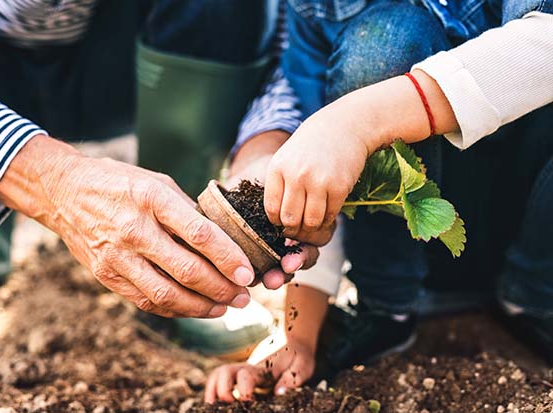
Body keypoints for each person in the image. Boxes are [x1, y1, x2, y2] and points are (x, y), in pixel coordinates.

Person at [204, 0, 553, 402]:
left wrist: (361, 120)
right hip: (400, 260)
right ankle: (386, 309)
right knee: (385, 39)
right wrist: (297, 336)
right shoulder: (316, 11)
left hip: (530, 219)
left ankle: (535, 298)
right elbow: (314, 166)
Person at [0, 0, 321, 318]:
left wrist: (266, 142)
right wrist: (50, 180)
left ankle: (182, 254)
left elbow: (296, 29)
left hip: (127, 60)